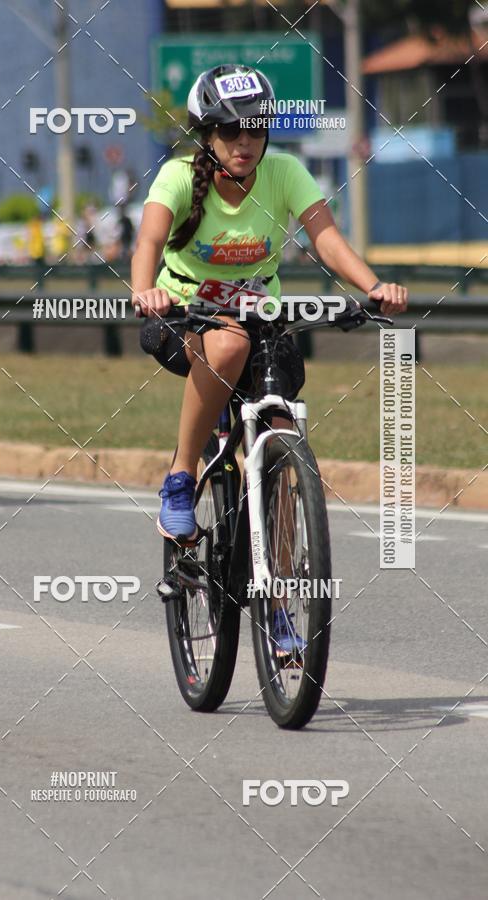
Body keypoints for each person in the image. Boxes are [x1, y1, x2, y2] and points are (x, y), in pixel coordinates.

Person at [131, 65, 408, 646]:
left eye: (256, 129)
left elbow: (326, 238)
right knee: (226, 343)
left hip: (263, 324)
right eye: (230, 131)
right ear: (206, 134)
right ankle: (181, 477)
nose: (245, 142)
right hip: (183, 320)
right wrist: (145, 289)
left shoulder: (284, 172)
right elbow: (150, 241)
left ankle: (277, 601)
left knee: (282, 440)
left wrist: (372, 287)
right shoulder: (179, 176)